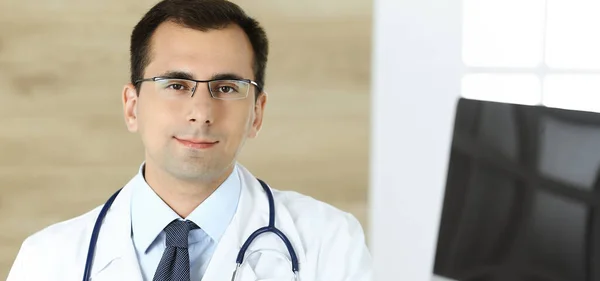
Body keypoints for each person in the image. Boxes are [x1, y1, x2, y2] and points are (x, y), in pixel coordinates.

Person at [6, 0, 372, 280]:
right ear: (132, 107)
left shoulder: (328, 243)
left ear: (257, 113)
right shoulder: (48, 261)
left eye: (227, 87)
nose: (201, 111)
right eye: (177, 85)